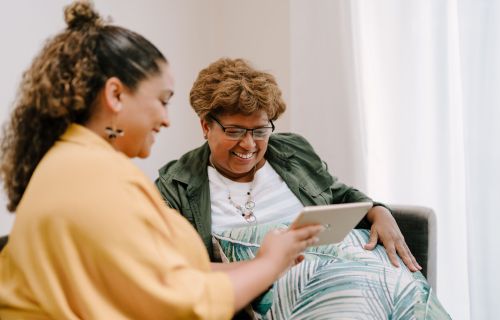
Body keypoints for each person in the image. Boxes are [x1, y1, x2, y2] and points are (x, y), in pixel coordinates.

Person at [0, 3, 323, 319]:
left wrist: (264, 262)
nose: (166, 120)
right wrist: (268, 265)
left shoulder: (76, 163)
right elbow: (183, 305)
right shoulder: (96, 176)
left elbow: (156, 272)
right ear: (115, 95)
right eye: (161, 100)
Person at [155, 58, 451, 319]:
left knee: (400, 294)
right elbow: (174, 271)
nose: (248, 145)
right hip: (275, 295)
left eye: (260, 131)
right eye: (234, 131)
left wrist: (378, 212)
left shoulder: (293, 152)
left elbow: (341, 196)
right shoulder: (176, 185)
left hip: (347, 275)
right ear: (206, 126)